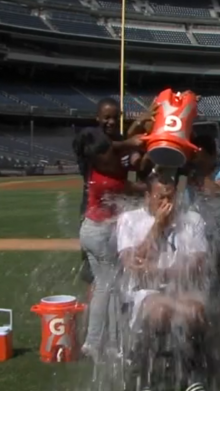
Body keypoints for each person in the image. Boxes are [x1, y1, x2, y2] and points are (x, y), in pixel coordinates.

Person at [116, 173, 211, 391]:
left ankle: (192, 375)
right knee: (160, 311)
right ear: (148, 196)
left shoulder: (192, 219)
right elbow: (133, 264)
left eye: (170, 197)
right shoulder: (130, 220)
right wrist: (157, 226)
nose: (166, 203)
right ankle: (145, 371)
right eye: (160, 197)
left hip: (182, 288)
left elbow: (197, 263)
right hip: (144, 291)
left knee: (194, 311)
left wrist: (157, 270)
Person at [78, 126, 145, 360]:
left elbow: (114, 148)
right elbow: (135, 189)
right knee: (111, 288)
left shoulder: (93, 163)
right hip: (101, 234)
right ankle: (110, 345)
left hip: (90, 230)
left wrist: (130, 141)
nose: (110, 156)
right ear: (98, 157)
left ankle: (95, 343)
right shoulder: (106, 177)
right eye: (105, 154)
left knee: (103, 287)